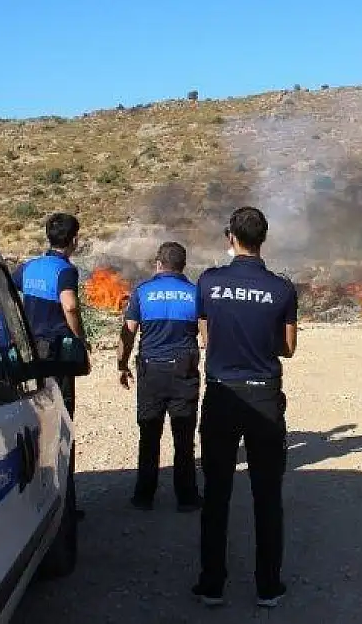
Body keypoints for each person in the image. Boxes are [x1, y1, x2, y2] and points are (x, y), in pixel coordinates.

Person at [191, 206, 298, 609]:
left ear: (230, 237)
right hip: (264, 395)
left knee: (216, 492)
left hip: (221, 394)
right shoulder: (282, 289)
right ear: (263, 239)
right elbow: (288, 348)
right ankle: (268, 586)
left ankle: (212, 584)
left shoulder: (210, 282)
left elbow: (204, 335)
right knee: (267, 494)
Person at [13, 212, 89, 519]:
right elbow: (69, 305)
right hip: (58, 356)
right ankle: (64, 505)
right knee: (60, 424)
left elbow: (11, 292)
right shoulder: (65, 270)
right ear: (73, 240)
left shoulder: (28, 267)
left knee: (32, 421)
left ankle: (30, 500)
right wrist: (81, 339)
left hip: (31, 356)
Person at [118, 242, 202, 513]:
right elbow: (208, 336)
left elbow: (128, 333)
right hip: (184, 373)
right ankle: (187, 498)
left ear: (158, 263)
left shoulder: (142, 292)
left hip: (151, 371)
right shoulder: (195, 293)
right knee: (184, 438)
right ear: (183, 265)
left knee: (149, 435)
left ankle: (144, 497)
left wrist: (121, 364)